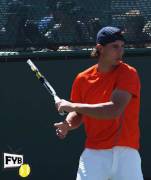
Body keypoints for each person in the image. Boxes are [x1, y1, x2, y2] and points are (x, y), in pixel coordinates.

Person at [54, 26, 143, 180]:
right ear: (100, 49)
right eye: (114, 46)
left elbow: (114, 110)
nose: (120, 51)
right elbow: (78, 114)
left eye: (122, 46)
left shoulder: (128, 73)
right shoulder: (82, 79)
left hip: (126, 154)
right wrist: (68, 124)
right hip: (94, 154)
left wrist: (72, 106)